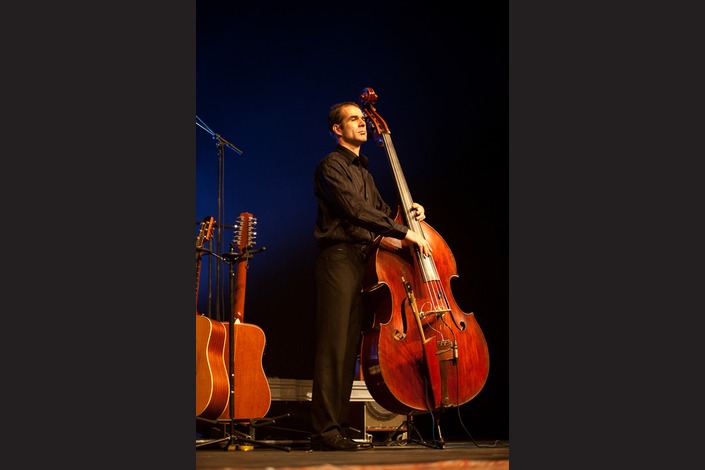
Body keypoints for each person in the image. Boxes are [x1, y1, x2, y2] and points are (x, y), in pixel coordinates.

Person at [309, 101, 432, 451]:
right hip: (337, 258)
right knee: (333, 345)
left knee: (348, 348)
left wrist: (411, 214)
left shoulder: (364, 172)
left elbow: (380, 212)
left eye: (363, 119)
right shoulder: (330, 166)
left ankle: (336, 426)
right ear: (337, 129)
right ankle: (323, 431)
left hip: (362, 262)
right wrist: (405, 233)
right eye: (354, 119)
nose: (363, 124)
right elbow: (355, 210)